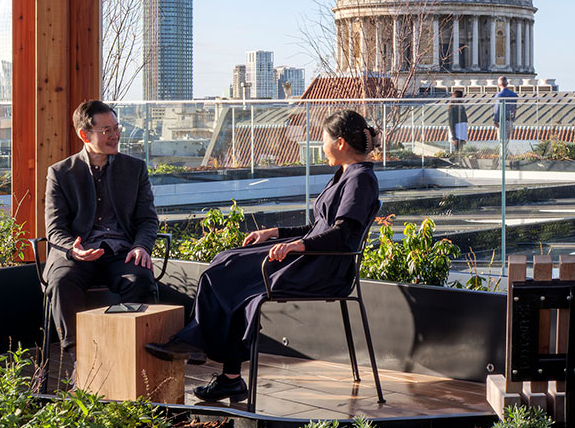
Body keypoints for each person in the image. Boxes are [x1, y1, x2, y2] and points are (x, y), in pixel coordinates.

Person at [149, 109, 382, 403]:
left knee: (227, 272)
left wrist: (298, 247)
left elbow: (343, 235)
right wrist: (274, 233)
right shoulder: (345, 176)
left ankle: (196, 345)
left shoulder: (360, 180)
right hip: (312, 258)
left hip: (322, 269)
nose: (321, 145)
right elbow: (317, 228)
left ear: (340, 143)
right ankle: (227, 375)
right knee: (226, 261)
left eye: (323, 139)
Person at [43, 100, 159, 363]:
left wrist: (141, 246)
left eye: (117, 128)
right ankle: (80, 361)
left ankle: (121, 355)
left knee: (140, 281)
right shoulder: (61, 173)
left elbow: (148, 220)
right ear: (85, 135)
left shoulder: (135, 169)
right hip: (78, 253)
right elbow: (54, 228)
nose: (116, 135)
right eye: (107, 130)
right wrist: (73, 248)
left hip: (122, 252)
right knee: (61, 283)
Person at [493, 76, 518, 144]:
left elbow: (497, 109)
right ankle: (506, 154)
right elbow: (514, 108)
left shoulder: (499, 95)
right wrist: (513, 118)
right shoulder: (514, 95)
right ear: (507, 83)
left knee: (502, 143)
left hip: (501, 121)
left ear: (498, 85)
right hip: (509, 120)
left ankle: (503, 155)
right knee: (507, 142)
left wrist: (495, 121)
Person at [447, 88, 468, 153]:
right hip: (457, 133)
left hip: (461, 133)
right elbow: (451, 123)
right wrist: (454, 137)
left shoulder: (461, 107)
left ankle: (458, 161)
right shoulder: (453, 109)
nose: (464, 98)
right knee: (458, 151)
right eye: (463, 96)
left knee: (460, 150)